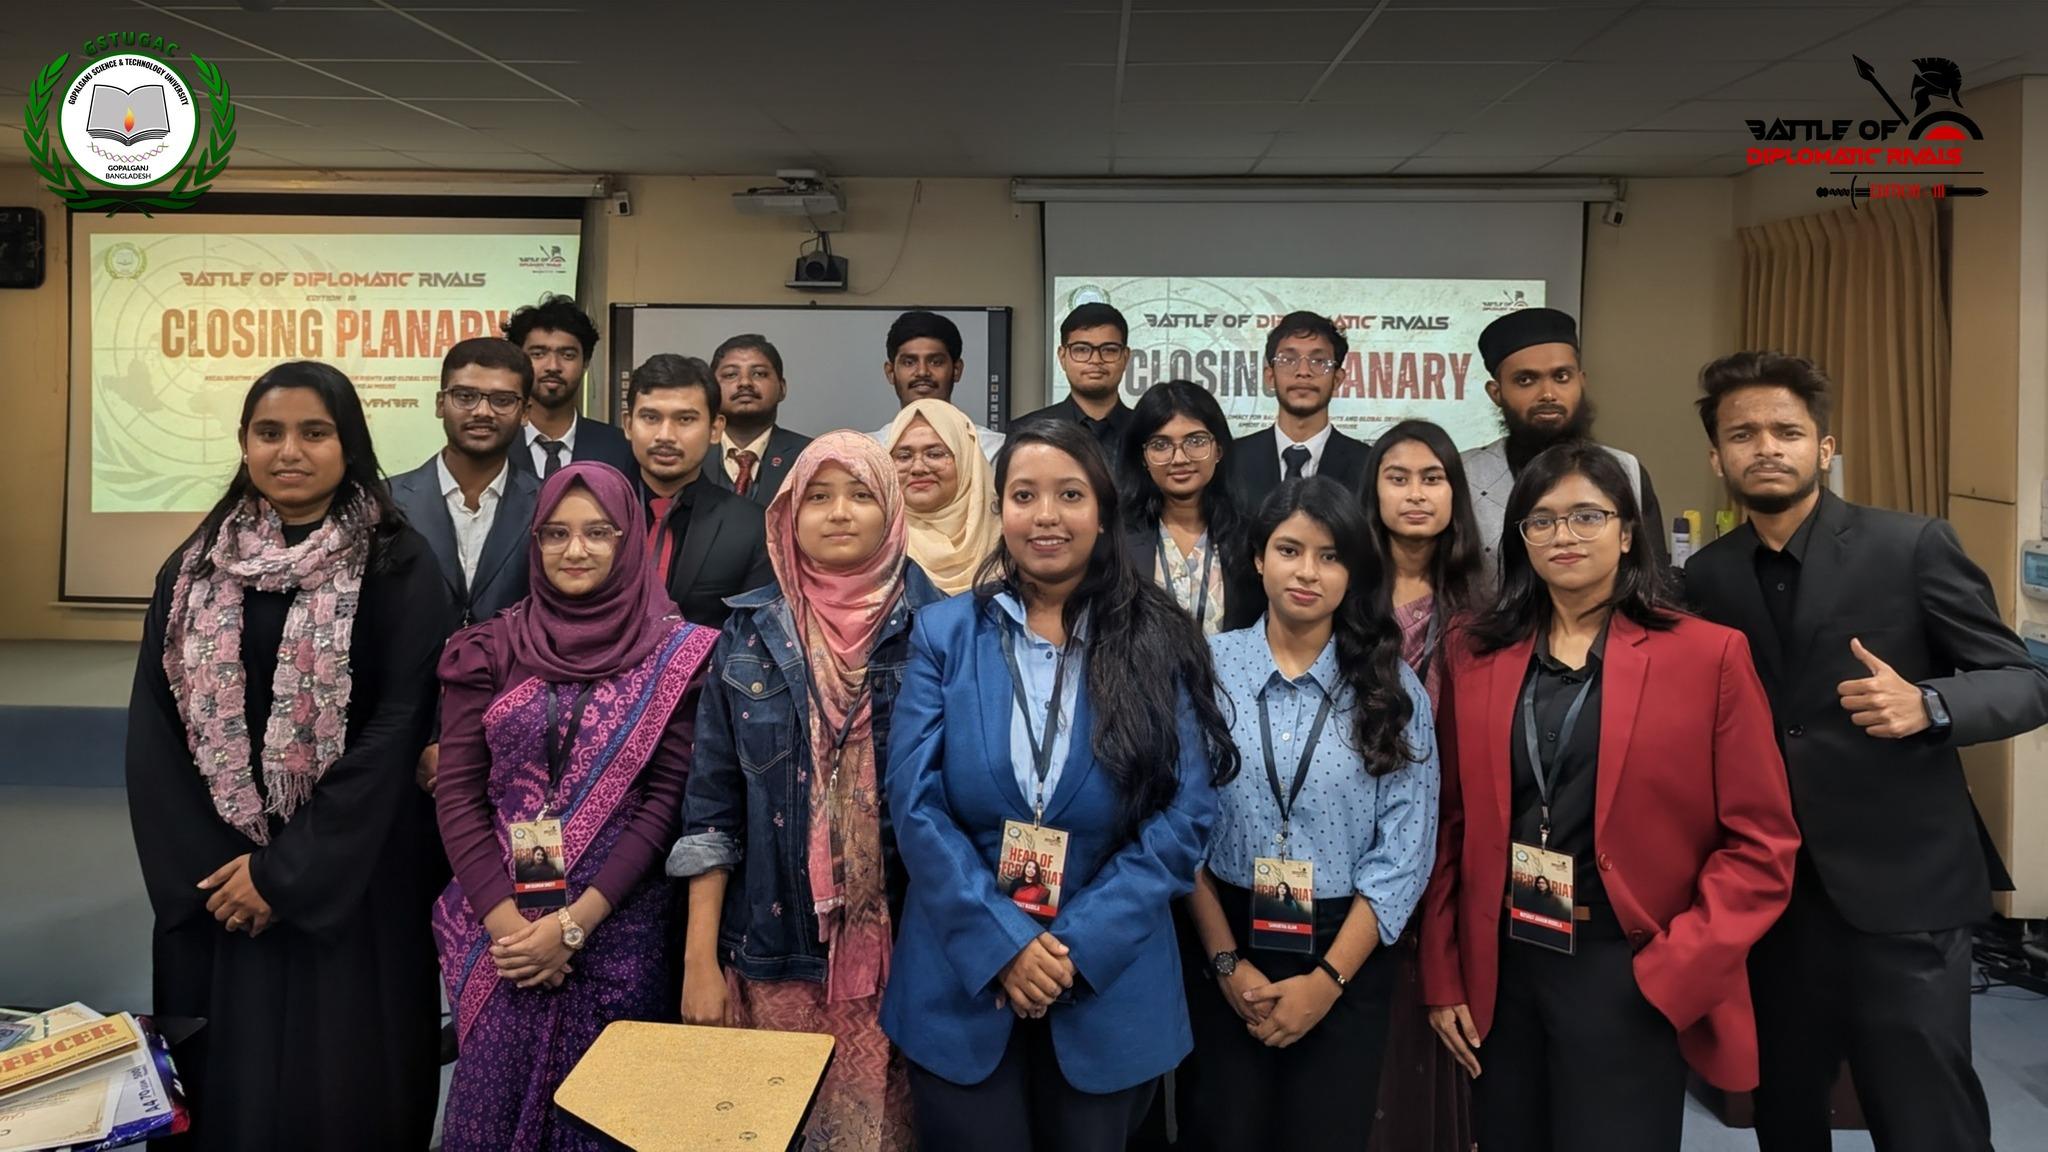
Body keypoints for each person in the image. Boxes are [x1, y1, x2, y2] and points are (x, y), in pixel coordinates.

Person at [1683, 352, 2048, 1152]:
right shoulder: (1705, 577)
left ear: (1824, 447)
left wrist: (1931, 704)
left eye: (1787, 431)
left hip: (1904, 890)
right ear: (1717, 458)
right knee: (1784, 1111)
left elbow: (2025, 680)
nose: (1765, 447)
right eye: (1743, 434)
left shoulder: (1911, 545)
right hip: (1772, 894)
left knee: (1925, 1117)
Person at [1419, 441, 1800, 1152]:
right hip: (1501, 967)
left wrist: (1674, 973)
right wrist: (1444, 975)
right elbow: (1448, 823)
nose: (1563, 535)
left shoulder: (1707, 655)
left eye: (1587, 516)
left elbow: (1762, 842)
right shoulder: (1475, 651)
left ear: (1627, 532)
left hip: (1626, 969)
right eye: (1542, 520)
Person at [879, 420, 1239, 1152]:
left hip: (1111, 981)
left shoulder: (1158, 638)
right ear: (999, 511)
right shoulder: (944, 634)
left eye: (1070, 495)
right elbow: (914, 804)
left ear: (1102, 512)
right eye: (1024, 495)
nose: (1046, 516)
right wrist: (1005, 944)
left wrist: (1074, 946)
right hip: (960, 980)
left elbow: (1186, 812)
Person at [124, 361, 447, 1150]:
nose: (289, 451)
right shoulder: (195, 566)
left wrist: (287, 873)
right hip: (220, 889)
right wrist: (223, 870)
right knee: (224, 1096)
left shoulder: (399, 564)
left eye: (314, 432)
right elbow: (157, 731)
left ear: (349, 444)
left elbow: (399, 728)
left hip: (354, 887)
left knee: (343, 1092)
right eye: (269, 432)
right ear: (244, 442)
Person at [431, 462, 716, 1152]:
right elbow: (458, 795)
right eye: (556, 534)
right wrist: (510, 929)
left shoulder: (676, 655)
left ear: (629, 540)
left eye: (597, 532)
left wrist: (575, 925)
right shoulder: (490, 648)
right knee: (488, 1118)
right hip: (502, 931)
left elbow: (665, 804)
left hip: (620, 931)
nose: (575, 550)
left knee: (607, 1121)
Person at [671, 433, 942, 1151]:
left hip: (906, 956)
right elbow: (711, 811)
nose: (839, 512)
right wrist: (700, 962)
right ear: (788, 514)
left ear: (892, 509)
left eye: (860, 494)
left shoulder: (943, 629)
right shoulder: (748, 632)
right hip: (770, 954)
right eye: (817, 497)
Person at [1180, 476, 1439, 1152]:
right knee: (1221, 1131)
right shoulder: (1209, 668)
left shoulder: (1392, 687)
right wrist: (1226, 963)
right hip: (1225, 934)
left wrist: (1327, 983)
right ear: (1258, 558)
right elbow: (1180, 828)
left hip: (1344, 948)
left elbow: (1404, 853)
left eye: (1330, 556)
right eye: (1289, 550)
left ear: (1353, 574)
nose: (1307, 572)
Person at [1361, 419, 1482, 1152]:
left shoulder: (1487, 604)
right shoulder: (1343, 593)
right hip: (1351, 836)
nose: (1415, 494)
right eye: (1397, 478)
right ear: (1372, 492)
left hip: (1450, 837)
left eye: (1432, 478)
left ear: (1454, 493)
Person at [392, 338, 543, 796]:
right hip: (402, 746)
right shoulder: (384, 504)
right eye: (466, 396)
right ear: (441, 403)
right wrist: (419, 743)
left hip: (523, 745)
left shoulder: (552, 504)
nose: (482, 411)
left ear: (525, 411)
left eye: (502, 400)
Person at [1460, 307, 1665, 585]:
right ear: (1496, 393)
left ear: (1581, 382)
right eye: (1525, 380)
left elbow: (1653, 583)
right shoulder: (1463, 474)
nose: (1547, 394)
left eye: (1561, 377)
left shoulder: (1626, 470)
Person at [623, 353, 773, 629]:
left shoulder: (752, 527)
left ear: (715, 429)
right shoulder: (596, 514)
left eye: (685, 419)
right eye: (651, 417)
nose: (665, 436)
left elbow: (751, 635)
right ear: (628, 425)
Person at [1119, 380, 1263, 636]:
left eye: (1195, 441)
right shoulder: (1117, 536)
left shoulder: (1251, 538)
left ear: (1218, 449)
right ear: (1143, 457)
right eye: (1160, 445)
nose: (1180, 459)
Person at [1225, 311, 1371, 496]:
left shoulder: (1368, 464)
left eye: (1319, 361)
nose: (1303, 371)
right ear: (1270, 377)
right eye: (1288, 360)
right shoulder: (1232, 460)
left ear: (1337, 379)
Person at [504, 295, 637, 479]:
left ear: (585, 363)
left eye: (567, 355)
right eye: (538, 354)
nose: (553, 366)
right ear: (518, 361)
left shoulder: (620, 447)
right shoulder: (496, 442)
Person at [885, 398, 1001, 596]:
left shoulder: (1009, 539)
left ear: (965, 460)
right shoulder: (877, 544)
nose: (918, 468)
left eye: (935, 454)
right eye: (904, 456)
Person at [865, 310, 1004, 461]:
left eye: (936, 362)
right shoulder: (868, 451)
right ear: (890, 372)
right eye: (909, 362)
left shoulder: (993, 450)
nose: (922, 372)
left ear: (957, 370)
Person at [704, 333, 813, 505]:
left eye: (759, 374)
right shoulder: (691, 455)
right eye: (731, 375)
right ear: (712, 390)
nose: (745, 382)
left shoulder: (811, 456)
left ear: (782, 388)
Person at [1013, 302, 1135, 455]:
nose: (1096, 360)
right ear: (1062, 357)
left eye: (1109, 350)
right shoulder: (1026, 432)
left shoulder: (1149, 430)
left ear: (1125, 357)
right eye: (1082, 350)